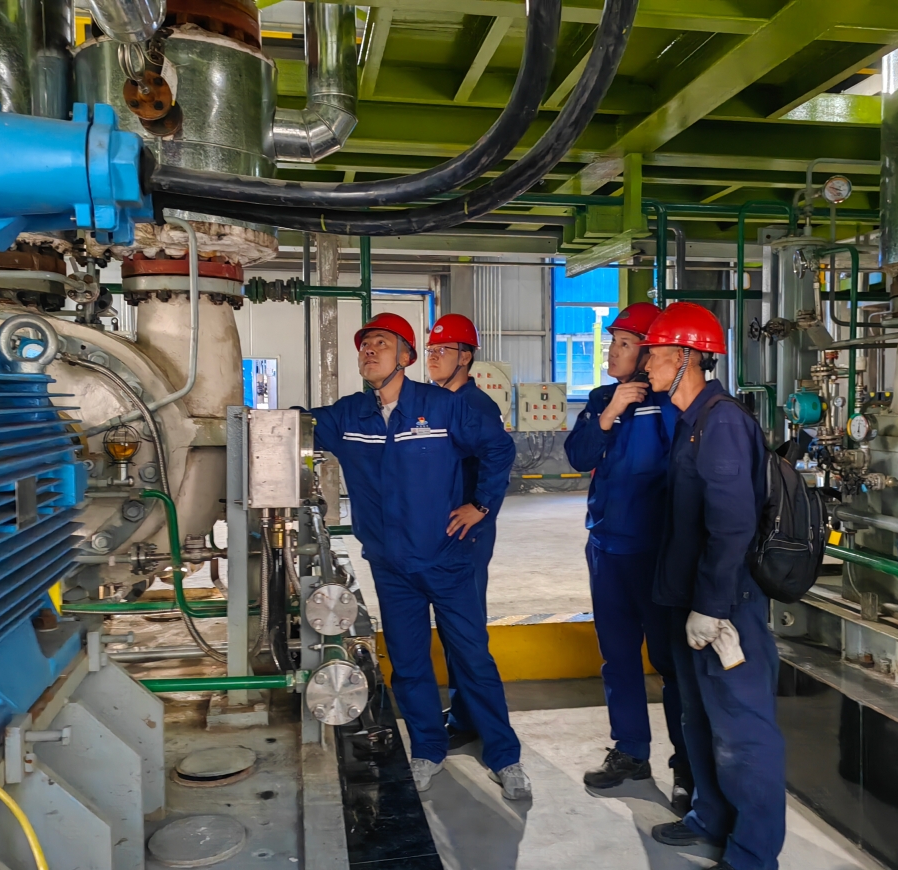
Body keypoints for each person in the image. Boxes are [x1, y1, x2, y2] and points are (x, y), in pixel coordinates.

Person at [309, 312, 531, 801]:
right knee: (408, 663)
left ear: (406, 357)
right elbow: (295, 425)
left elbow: (498, 449)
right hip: (391, 567)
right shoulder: (349, 416)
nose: (369, 350)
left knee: (472, 658)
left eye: (381, 342)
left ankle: (504, 756)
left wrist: (482, 505)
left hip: (447, 559)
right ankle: (428, 748)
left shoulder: (443, 407)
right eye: (365, 344)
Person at [639, 303, 785, 870]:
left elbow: (732, 524)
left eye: (654, 355)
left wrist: (712, 605)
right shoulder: (690, 419)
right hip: (688, 602)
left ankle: (753, 856)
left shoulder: (721, 422)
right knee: (698, 720)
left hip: (725, 608)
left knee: (741, 733)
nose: (646, 365)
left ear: (687, 357)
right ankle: (711, 819)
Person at [563, 302, 692, 811]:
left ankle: (688, 766)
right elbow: (578, 457)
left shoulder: (670, 404)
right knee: (617, 657)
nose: (610, 352)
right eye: (611, 342)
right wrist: (610, 411)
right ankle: (631, 750)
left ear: (649, 352)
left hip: (654, 552)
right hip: (606, 548)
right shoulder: (601, 398)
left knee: (671, 662)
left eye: (623, 343)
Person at [425, 313, 504, 746]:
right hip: (444, 532)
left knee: (466, 626)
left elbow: (499, 457)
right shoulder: (436, 403)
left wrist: (481, 505)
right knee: (454, 624)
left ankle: (472, 721)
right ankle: (463, 711)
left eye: (444, 350)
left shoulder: (476, 406)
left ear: (466, 357)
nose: (434, 357)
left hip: (468, 534)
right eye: (431, 350)